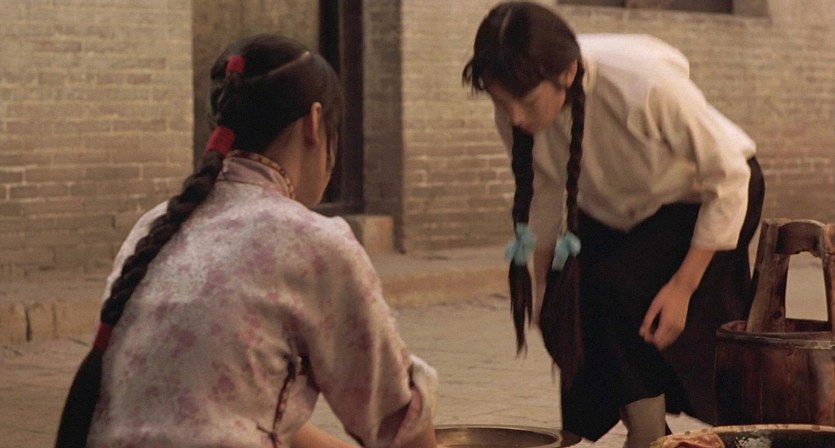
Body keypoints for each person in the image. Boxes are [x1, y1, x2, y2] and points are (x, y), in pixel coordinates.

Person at [55, 34, 439, 448]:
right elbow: (398, 421)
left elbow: (243, 416)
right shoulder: (313, 242)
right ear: (314, 122)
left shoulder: (153, 227)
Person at [463, 2, 764, 447]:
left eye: (526, 103)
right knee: (571, 302)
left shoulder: (644, 84)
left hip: (704, 197)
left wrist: (683, 287)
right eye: (501, 103)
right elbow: (545, 189)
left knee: (618, 287)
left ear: (567, 74)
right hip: (617, 208)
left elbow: (731, 177)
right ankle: (644, 428)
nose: (515, 118)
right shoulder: (516, 109)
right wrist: (543, 285)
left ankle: (646, 435)